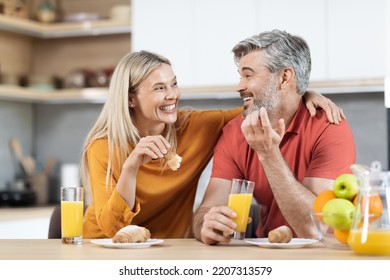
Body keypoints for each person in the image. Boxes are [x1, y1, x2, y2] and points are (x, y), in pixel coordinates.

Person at [81, 50, 346, 239]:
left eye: (174, 84)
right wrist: (130, 168)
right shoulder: (103, 147)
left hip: (170, 251)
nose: (173, 95)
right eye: (159, 88)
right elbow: (110, 229)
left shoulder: (192, 127)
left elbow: (259, 105)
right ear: (130, 99)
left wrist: (299, 92)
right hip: (104, 250)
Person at [192, 30, 356, 245]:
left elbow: (317, 228)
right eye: (240, 76)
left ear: (284, 77)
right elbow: (205, 210)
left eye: (248, 75)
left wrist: (268, 154)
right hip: (266, 253)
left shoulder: (328, 127)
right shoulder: (235, 131)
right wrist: (206, 223)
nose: (239, 86)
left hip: (321, 256)